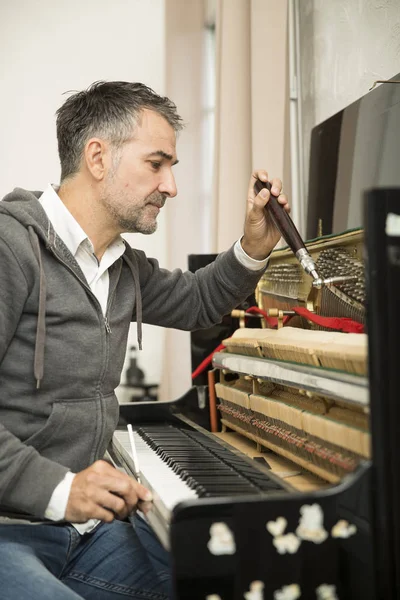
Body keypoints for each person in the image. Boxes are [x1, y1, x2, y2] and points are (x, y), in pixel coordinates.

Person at [0, 81, 289, 599]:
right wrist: (62, 490)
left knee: (227, 582)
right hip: (10, 530)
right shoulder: (9, 248)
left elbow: (199, 300)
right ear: (97, 157)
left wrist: (253, 246)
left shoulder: (123, 266)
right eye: (157, 164)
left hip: (85, 533)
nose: (171, 185)